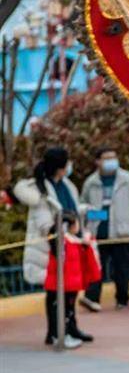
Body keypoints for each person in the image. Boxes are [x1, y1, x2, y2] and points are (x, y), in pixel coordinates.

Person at [13, 147, 97, 347]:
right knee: (55, 292)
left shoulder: (67, 185)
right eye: (67, 163)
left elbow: (74, 208)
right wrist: (62, 227)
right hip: (52, 249)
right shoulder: (41, 191)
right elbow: (45, 223)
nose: (69, 167)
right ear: (60, 167)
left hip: (72, 246)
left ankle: (71, 327)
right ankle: (55, 332)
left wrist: (92, 213)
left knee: (71, 290)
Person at [80, 146, 129, 311]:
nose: (111, 161)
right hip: (98, 232)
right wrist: (96, 219)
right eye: (106, 158)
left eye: (113, 157)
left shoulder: (128, 179)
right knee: (96, 267)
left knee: (122, 268)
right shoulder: (91, 182)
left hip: (121, 231)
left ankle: (122, 299)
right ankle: (92, 298)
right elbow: (83, 206)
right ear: (98, 161)